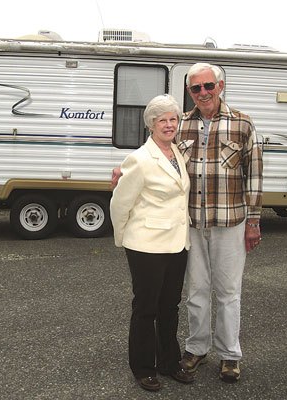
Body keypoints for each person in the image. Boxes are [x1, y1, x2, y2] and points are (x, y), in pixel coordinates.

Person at [111, 62, 263, 383]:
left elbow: (255, 177)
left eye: (208, 86)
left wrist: (254, 221)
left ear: (220, 86)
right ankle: (195, 349)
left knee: (228, 292)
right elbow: (152, 159)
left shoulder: (243, 124)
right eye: (196, 88)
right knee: (195, 292)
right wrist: (122, 172)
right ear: (190, 92)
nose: (203, 93)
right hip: (190, 226)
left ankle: (229, 355)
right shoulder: (184, 126)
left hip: (229, 222)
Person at [110, 94, 194, 392]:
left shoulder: (177, 154)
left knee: (170, 305)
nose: (169, 124)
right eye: (163, 120)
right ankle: (143, 367)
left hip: (176, 244)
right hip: (145, 245)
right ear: (151, 125)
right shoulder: (140, 159)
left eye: (173, 119)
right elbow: (120, 203)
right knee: (146, 307)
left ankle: (169, 363)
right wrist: (123, 237)